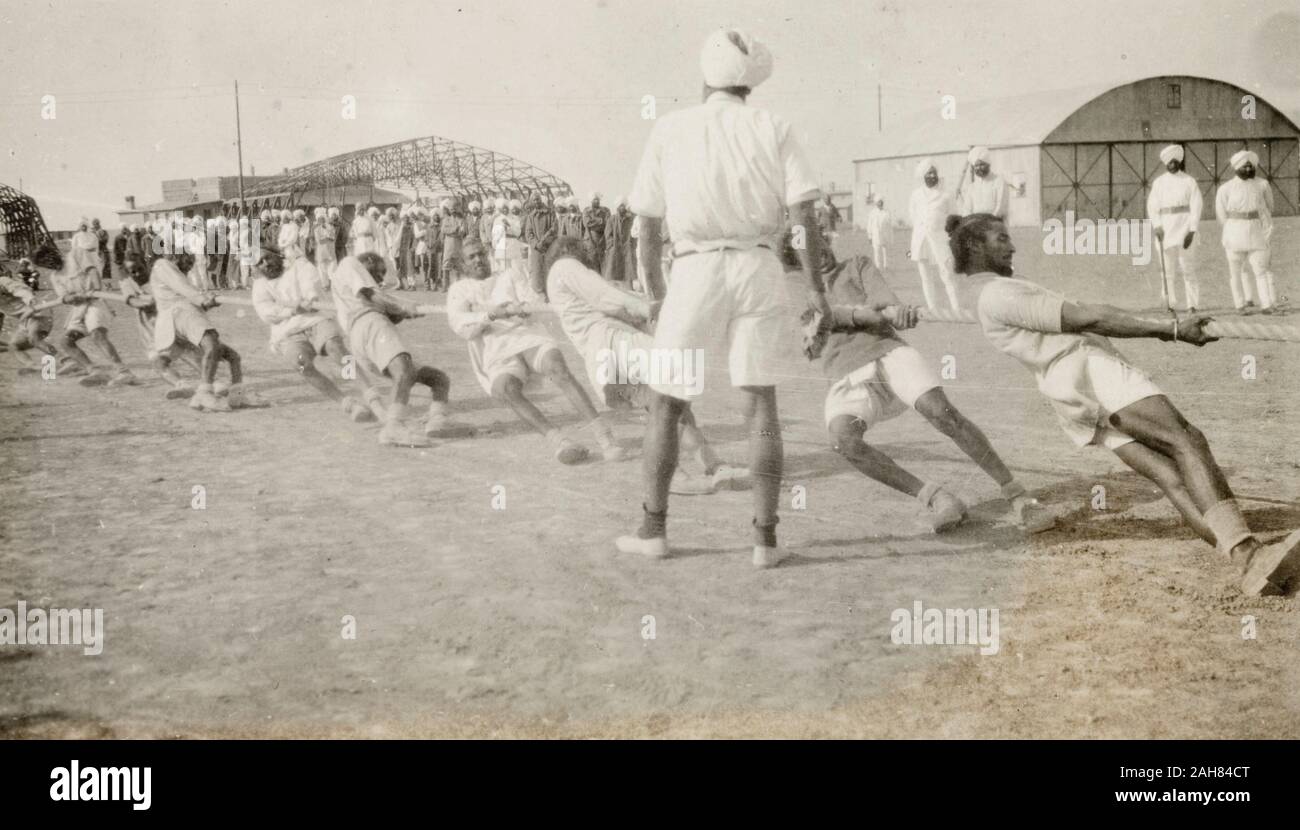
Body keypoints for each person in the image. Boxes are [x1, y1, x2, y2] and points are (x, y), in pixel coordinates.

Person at [948, 211, 1300, 596]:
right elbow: (1092, 318)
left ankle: (1245, 561)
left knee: (1170, 475)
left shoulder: (986, 296)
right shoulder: (1000, 293)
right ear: (974, 246)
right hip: (1090, 374)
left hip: (1069, 398)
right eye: (1001, 238)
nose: (1012, 245)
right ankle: (1250, 554)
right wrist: (1173, 329)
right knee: (1186, 440)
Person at [620, 27, 828, 567]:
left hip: (695, 269)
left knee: (667, 402)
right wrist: (818, 292)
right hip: (759, 265)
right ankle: (764, 541)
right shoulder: (773, 126)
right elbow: (804, 217)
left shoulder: (671, 127)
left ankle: (653, 530)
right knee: (761, 403)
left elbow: (645, 223)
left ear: (703, 80)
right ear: (749, 87)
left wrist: (657, 294)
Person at [788, 229, 1053, 533]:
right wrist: (858, 315)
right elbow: (820, 323)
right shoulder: (798, 289)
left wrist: (888, 312)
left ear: (826, 240)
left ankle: (1017, 495)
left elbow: (882, 305)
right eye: (804, 251)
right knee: (842, 440)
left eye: (817, 242)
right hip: (845, 374)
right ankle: (937, 498)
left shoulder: (857, 264)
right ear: (798, 260)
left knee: (942, 414)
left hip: (888, 352)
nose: (816, 251)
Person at [546, 236, 747, 492]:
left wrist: (646, 307)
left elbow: (612, 299)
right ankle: (675, 473)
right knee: (668, 401)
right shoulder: (565, 266)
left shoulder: (571, 281)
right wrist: (646, 308)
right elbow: (605, 296)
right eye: (580, 248)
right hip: (613, 348)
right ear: (566, 250)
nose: (587, 251)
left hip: (611, 353)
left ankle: (713, 466)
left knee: (672, 403)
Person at [448, 235, 622, 463]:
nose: (479, 259)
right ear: (463, 264)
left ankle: (604, 436)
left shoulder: (509, 275)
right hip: (495, 346)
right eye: (471, 257)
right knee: (505, 389)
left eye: (481, 254)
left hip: (526, 333)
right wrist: (490, 315)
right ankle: (559, 441)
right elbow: (462, 326)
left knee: (557, 368)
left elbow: (534, 302)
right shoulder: (459, 290)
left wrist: (524, 308)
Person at [331, 251, 455, 445]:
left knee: (438, 379)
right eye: (380, 272)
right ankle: (394, 426)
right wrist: (402, 307)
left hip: (364, 336)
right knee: (404, 371)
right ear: (369, 260)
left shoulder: (349, 289)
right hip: (370, 325)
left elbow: (388, 310)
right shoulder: (350, 263)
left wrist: (407, 310)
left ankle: (437, 421)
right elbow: (370, 295)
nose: (380, 278)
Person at [252, 249, 379, 422]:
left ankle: (370, 394)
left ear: (277, 255)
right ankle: (346, 402)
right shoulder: (259, 286)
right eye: (260, 263)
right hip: (287, 331)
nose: (265, 264)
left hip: (315, 318)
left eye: (267, 258)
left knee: (335, 348)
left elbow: (310, 284)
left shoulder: (298, 266)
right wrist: (291, 310)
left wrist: (310, 298)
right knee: (300, 364)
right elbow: (266, 312)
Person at [150, 245, 265, 412]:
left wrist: (208, 301)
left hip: (185, 318)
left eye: (191, 263)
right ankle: (204, 393)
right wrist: (203, 299)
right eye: (187, 261)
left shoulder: (178, 275)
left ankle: (237, 395)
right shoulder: (163, 264)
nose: (189, 266)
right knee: (211, 344)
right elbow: (185, 290)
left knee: (233, 357)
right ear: (176, 256)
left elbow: (191, 295)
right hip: (179, 315)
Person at [118, 256, 202, 398]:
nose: (138, 274)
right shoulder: (129, 284)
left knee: (193, 355)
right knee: (159, 364)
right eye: (133, 272)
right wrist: (145, 303)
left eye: (140, 269)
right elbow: (132, 300)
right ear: (128, 274)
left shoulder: (159, 279)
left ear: (147, 266)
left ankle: (212, 382)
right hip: (152, 333)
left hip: (173, 326)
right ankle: (181, 385)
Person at [1215, 150, 1280, 314]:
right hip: (1234, 232)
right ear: (1237, 167)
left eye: (1251, 166)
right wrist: (1231, 229)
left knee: (1260, 269)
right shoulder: (1226, 188)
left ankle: (1266, 305)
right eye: (1245, 167)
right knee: (1235, 271)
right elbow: (1221, 213)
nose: (1249, 170)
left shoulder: (1262, 184)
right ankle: (1240, 305)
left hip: (1256, 232)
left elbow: (1269, 207)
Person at [908, 158, 960, 312]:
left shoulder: (946, 194)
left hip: (940, 240)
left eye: (934, 173)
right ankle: (932, 308)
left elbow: (954, 217)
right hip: (921, 239)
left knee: (947, 273)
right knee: (925, 275)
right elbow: (913, 214)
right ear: (923, 176)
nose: (932, 176)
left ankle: (956, 308)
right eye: (928, 173)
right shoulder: (916, 195)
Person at [522, 192, 558, 298]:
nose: (536, 202)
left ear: (541, 200)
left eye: (538, 199)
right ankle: (539, 294)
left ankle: (551, 293)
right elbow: (528, 233)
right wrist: (536, 244)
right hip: (536, 249)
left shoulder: (550, 213)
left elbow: (554, 229)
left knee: (549, 269)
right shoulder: (531, 216)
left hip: (548, 247)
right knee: (537, 271)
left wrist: (544, 241)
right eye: (534, 200)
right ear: (532, 202)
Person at [959, 146, 1008, 219]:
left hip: (995, 224)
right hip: (976, 225)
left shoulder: (999, 182)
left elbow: (1000, 207)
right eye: (976, 165)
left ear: (988, 164)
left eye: (982, 164)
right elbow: (967, 210)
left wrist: (988, 222)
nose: (979, 168)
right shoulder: (972, 187)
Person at [603, 196, 636, 285]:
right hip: (615, 246)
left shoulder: (631, 218)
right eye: (620, 206)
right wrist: (611, 245)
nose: (622, 208)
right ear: (617, 207)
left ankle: (630, 285)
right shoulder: (612, 219)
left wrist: (632, 244)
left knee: (629, 266)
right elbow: (608, 234)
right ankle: (614, 285)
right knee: (613, 266)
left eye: (623, 206)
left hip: (627, 245)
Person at [440, 199, 468, 291]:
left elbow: (462, 231)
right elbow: (444, 230)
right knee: (446, 265)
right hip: (448, 246)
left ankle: (457, 286)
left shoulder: (462, 220)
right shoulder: (446, 219)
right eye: (451, 209)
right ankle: (445, 286)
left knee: (458, 266)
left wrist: (453, 231)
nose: (453, 211)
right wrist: (454, 229)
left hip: (458, 245)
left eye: (455, 208)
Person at [580, 192, 610, 273]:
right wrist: (601, 220)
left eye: (598, 199)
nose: (596, 201)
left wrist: (594, 222)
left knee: (603, 264)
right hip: (590, 240)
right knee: (592, 263)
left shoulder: (605, 211)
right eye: (594, 199)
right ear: (591, 201)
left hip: (602, 239)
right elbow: (587, 223)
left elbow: (608, 223)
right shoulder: (586, 210)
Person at [866, 198, 892, 269]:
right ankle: (878, 266)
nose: (880, 204)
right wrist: (869, 236)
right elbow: (869, 225)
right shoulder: (872, 213)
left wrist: (890, 236)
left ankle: (886, 266)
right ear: (876, 204)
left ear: (883, 203)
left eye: (881, 202)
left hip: (885, 234)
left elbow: (889, 225)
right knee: (876, 251)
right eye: (878, 203)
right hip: (876, 235)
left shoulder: (886, 212)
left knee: (885, 251)